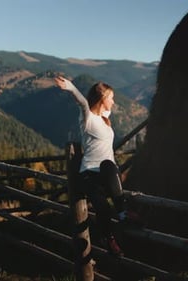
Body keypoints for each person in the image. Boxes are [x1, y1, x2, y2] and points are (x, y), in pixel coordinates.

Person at [54, 75, 137, 257]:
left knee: (109, 164)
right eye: (111, 98)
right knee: (103, 208)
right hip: (89, 175)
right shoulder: (88, 120)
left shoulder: (104, 118)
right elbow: (83, 103)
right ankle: (109, 240)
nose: (114, 102)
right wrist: (71, 87)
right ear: (102, 99)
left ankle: (122, 213)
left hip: (106, 172)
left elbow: (103, 109)